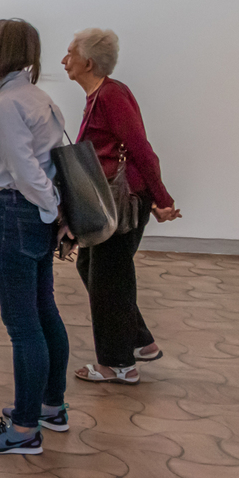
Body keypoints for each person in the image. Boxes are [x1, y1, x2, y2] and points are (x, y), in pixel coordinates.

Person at [0, 19, 70, 456]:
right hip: (34, 213)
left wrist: (49, 207)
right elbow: (43, 165)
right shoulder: (37, 97)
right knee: (44, 312)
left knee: (22, 325)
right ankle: (50, 406)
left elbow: (24, 169)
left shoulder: (7, 105)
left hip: (15, 212)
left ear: (0, 51)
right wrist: (53, 209)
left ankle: (25, 428)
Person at [62, 28, 181, 385]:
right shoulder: (100, 95)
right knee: (93, 267)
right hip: (112, 199)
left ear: (88, 62)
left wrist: (162, 200)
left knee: (109, 279)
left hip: (122, 202)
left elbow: (140, 148)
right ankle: (139, 341)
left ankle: (118, 365)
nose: (64, 60)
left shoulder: (112, 95)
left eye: (70, 53)